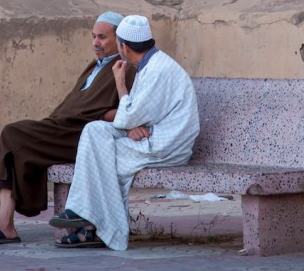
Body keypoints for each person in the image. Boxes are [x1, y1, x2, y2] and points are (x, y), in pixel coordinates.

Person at [0, 11, 136, 246]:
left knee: (13, 134)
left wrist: (98, 114)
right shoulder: (96, 65)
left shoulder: (125, 68)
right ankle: (3, 223)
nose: (95, 43)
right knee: (15, 147)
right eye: (93, 37)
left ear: (119, 40)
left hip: (80, 135)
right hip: (60, 127)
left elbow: (127, 109)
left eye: (102, 37)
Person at [49, 14, 199, 250]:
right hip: (149, 135)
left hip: (164, 146)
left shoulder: (159, 70)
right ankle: (82, 215)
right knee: (94, 130)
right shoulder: (148, 65)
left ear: (123, 47)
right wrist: (129, 125)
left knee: (100, 156)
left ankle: (95, 228)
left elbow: (128, 116)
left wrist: (119, 81)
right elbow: (130, 117)